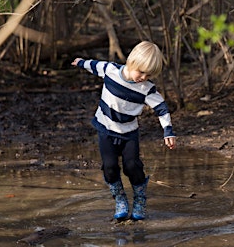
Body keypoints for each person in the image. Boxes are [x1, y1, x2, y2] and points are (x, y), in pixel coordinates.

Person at [71, 41, 176, 221]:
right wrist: (81, 62)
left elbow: (162, 108)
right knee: (110, 167)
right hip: (106, 128)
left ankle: (140, 198)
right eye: (141, 71)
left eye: (149, 74)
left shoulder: (146, 89)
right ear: (132, 62)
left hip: (129, 133)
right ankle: (119, 198)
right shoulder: (110, 70)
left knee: (132, 166)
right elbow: (94, 65)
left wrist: (168, 131)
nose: (143, 77)